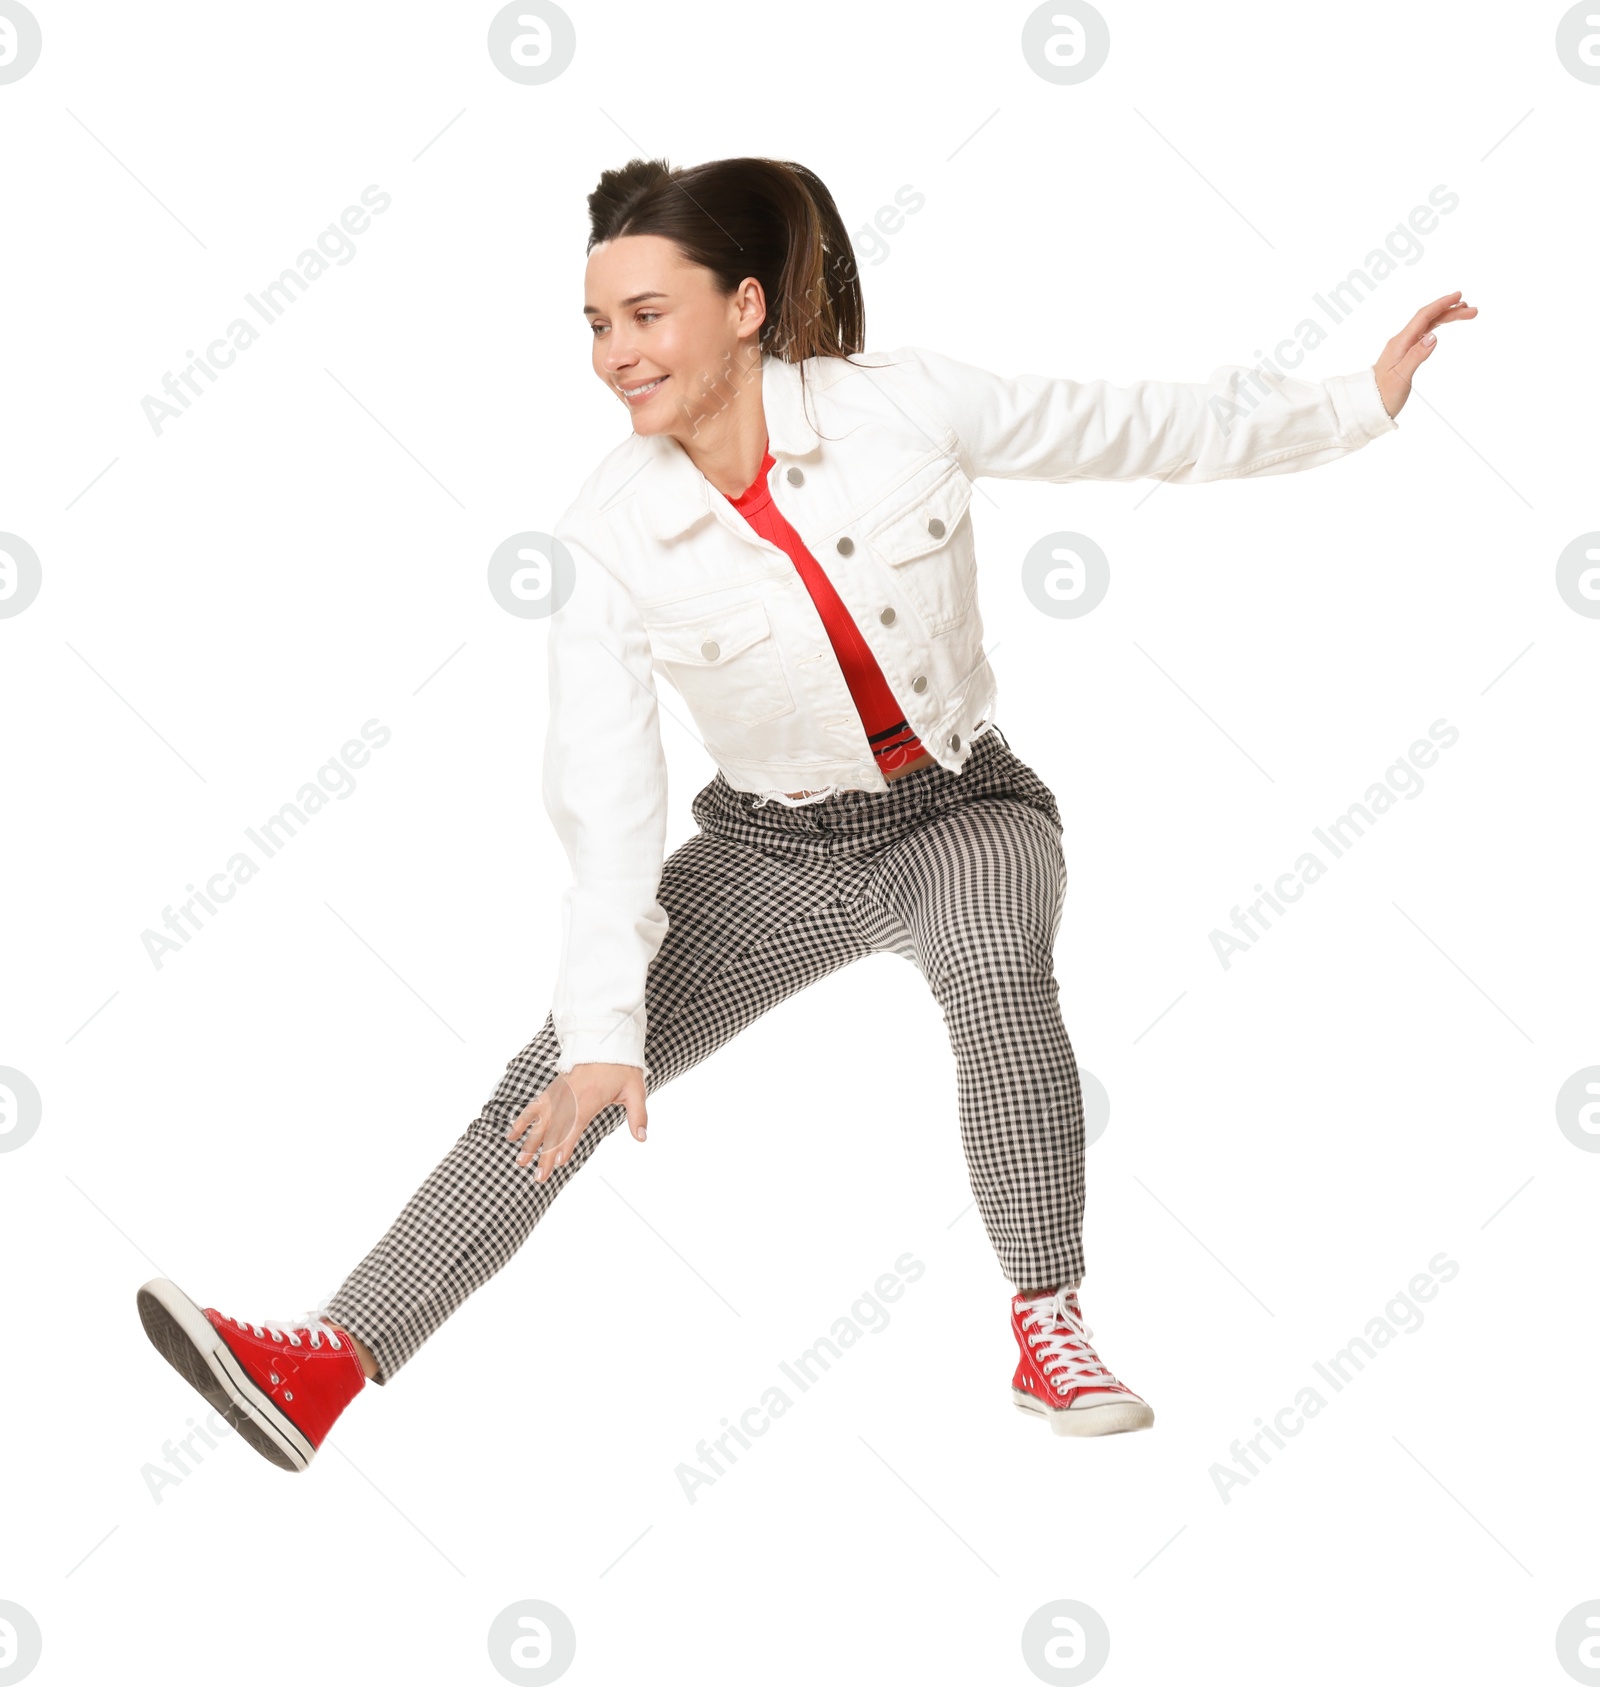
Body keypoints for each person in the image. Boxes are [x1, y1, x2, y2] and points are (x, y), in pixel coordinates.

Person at [136, 155, 1476, 1470]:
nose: (618, 353)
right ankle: (325, 1361)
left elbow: (1135, 425)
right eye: (599, 325)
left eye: (648, 314)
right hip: (768, 850)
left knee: (997, 975)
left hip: (959, 811)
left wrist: (1355, 401)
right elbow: (606, 801)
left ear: (745, 309)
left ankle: (1046, 1320)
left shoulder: (902, 408)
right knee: (559, 1082)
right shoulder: (606, 534)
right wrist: (608, 1033)